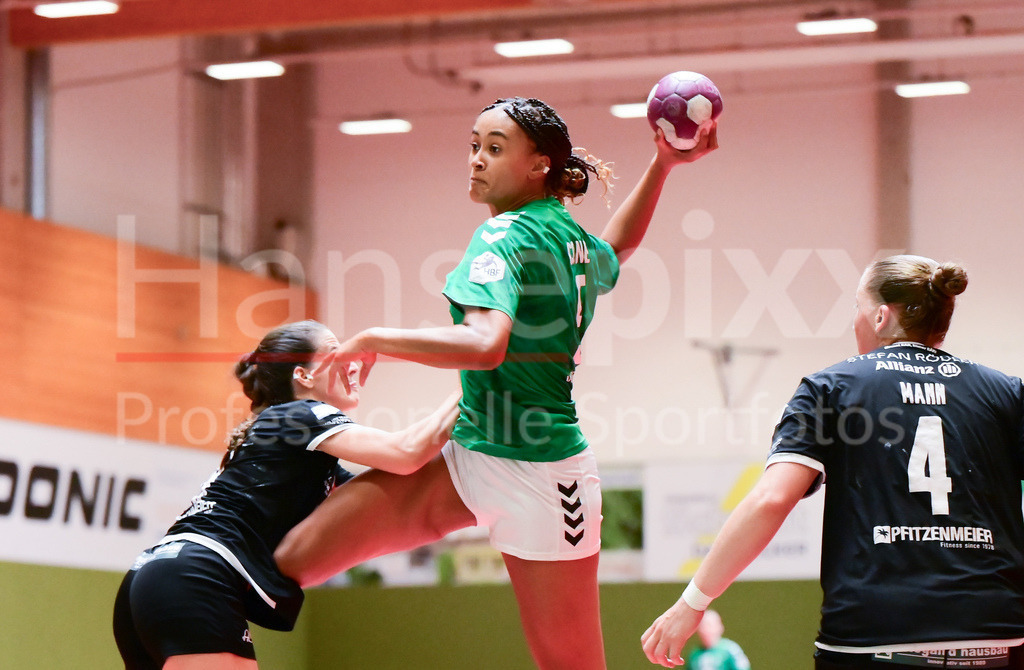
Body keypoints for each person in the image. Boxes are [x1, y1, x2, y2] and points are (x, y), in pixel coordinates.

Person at [273, 97, 718, 669]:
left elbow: (486, 347)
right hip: (470, 451)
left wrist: (377, 337)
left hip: (544, 478)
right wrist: (662, 166)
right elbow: (615, 253)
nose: (477, 160)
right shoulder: (563, 230)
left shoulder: (504, 236)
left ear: (538, 166)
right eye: (475, 146)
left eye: (495, 149)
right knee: (293, 558)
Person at [642, 255, 1024, 669]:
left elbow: (772, 499)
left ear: (880, 316)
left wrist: (693, 602)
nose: (853, 320)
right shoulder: (1005, 392)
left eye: (856, 308)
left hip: (873, 636)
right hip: (996, 634)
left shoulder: (831, 388)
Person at [112, 320, 460, 670]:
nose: (352, 361)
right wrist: (476, 386)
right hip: (198, 575)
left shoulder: (297, 447)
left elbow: (381, 491)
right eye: (337, 352)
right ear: (303, 377)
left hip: (151, 580)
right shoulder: (302, 413)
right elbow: (406, 453)